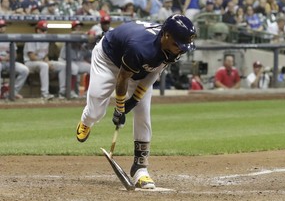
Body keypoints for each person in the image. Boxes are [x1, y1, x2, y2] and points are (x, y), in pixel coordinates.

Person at [76, 14, 196, 189]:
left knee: (143, 112)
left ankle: (140, 169)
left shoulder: (174, 47)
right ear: (166, 35)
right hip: (108, 59)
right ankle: (87, 120)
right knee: (96, 109)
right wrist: (120, 107)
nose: (181, 50)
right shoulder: (141, 47)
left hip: (141, 68)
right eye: (178, 45)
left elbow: (153, 72)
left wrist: (134, 101)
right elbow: (123, 78)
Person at [23, 20, 66, 99]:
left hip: (42, 62)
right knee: (44, 65)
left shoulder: (46, 40)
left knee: (62, 66)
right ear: (38, 30)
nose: (44, 32)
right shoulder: (31, 39)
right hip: (29, 63)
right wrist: (46, 62)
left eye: (45, 30)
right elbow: (32, 56)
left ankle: (62, 92)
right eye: (43, 30)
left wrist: (48, 61)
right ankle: (45, 93)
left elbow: (45, 55)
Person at [0, 19, 29, 99]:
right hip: (0, 62)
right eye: (0, 27)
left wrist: (10, 57)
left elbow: (15, 55)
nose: (1, 28)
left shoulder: (10, 38)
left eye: (3, 26)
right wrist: (2, 58)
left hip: (9, 62)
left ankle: (13, 92)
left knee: (24, 70)